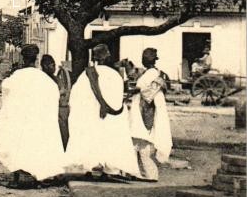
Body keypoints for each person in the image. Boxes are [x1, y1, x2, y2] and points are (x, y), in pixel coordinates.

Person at [0, 46, 65, 186]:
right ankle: (39, 175)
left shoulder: (15, 78)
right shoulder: (46, 80)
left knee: (17, 142)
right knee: (36, 144)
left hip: (19, 119)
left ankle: (18, 176)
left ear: (23, 59)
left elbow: (6, 96)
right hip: (38, 120)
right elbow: (53, 98)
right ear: (36, 60)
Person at [65, 44, 140, 178]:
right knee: (108, 140)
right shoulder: (115, 75)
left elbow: (75, 98)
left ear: (94, 58)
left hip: (90, 117)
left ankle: (89, 167)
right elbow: (118, 101)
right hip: (110, 118)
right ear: (108, 57)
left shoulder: (86, 74)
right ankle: (109, 169)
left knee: (91, 138)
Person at [129, 48, 172, 181]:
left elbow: (147, 93)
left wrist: (134, 90)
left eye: (145, 58)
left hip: (145, 109)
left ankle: (148, 174)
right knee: (138, 142)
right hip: (143, 107)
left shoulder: (152, 74)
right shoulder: (152, 73)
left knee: (142, 141)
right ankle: (138, 172)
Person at [42, 54, 72, 150]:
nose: (54, 68)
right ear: (45, 66)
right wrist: (60, 92)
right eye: (52, 65)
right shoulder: (42, 79)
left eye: (54, 65)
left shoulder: (56, 78)